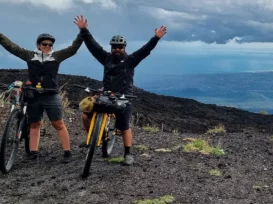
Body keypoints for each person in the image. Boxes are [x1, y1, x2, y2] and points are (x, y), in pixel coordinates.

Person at [74, 15, 167, 166]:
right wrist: (84, 30)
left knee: (124, 126)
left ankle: (128, 153)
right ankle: (91, 138)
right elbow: (93, 45)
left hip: (124, 97)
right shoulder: (106, 58)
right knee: (85, 116)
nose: (117, 49)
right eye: (114, 47)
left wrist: (155, 38)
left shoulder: (130, 60)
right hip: (105, 94)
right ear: (111, 48)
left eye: (120, 47)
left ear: (124, 48)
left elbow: (145, 50)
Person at [0, 31, 83, 163]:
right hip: (33, 94)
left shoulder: (56, 56)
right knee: (34, 124)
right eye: (44, 44)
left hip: (51, 94)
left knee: (58, 124)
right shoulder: (30, 56)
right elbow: (12, 47)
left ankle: (67, 152)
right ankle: (34, 152)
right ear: (39, 45)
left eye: (50, 45)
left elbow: (73, 49)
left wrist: (82, 33)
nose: (48, 46)